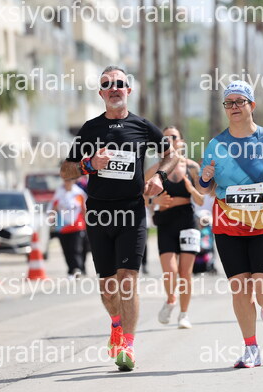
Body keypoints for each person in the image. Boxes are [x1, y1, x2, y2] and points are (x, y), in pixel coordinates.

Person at [60, 66, 179, 371]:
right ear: (101, 93)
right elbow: (66, 170)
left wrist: (160, 177)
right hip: (99, 215)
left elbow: (171, 154)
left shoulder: (142, 126)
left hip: (132, 213)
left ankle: (127, 344)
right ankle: (115, 323)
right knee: (108, 286)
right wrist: (89, 164)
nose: (114, 88)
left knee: (128, 279)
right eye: (107, 84)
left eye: (119, 83)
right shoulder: (90, 129)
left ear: (129, 90)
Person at [198, 81, 263, 368]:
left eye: (240, 101)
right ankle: (250, 347)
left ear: (252, 105)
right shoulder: (216, 145)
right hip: (227, 223)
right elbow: (204, 187)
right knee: (240, 288)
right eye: (229, 103)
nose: (234, 107)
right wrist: (205, 177)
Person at [145, 126, 204, 329]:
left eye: (173, 137)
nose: (169, 139)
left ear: (182, 142)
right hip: (165, 221)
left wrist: (190, 189)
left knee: (185, 272)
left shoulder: (192, 167)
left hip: (188, 220)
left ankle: (184, 314)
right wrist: (154, 201)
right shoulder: (154, 170)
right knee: (170, 270)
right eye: (165, 137)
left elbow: (202, 199)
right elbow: (143, 197)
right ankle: (171, 300)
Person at [50, 179, 87, 278]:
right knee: (66, 250)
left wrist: (88, 222)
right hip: (63, 227)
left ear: (73, 181)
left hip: (77, 226)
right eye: (66, 180)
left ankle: (77, 268)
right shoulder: (59, 193)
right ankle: (71, 270)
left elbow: (84, 209)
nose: (68, 182)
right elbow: (54, 207)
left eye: (70, 180)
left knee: (75, 248)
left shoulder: (78, 193)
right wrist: (51, 217)